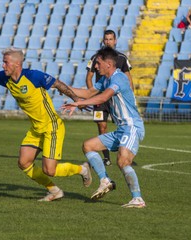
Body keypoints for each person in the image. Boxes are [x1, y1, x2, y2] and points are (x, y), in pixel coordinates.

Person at [0, 47, 92, 202]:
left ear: (16, 64)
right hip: (36, 128)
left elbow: (58, 84)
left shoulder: (33, 76)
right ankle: (54, 191)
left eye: (6, 62)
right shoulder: (6, 78)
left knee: (49, 170)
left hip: (51, 127)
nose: (3, 66)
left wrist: (76, 99)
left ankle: (82, 169)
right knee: (24, 163)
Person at [62, 47, 145, 208]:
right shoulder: (105, 80)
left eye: (98, 63)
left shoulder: (119, 78)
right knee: (88, 146)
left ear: (108, 63)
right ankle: (105, 180)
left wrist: (78, 103)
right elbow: (89, 92)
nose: (95, 66)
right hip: (121, 128)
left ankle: (138, 199)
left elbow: (104, 96)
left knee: (123, 161)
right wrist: (59, 85)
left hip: (132, 126)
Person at [86, 29, 133, 166]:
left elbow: (129, 79)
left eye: (110, 39)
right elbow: (89, 77)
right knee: (102, 126)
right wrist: (92, 93)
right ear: (103, 41)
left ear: (115, 40)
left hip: (117, 98)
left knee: (124, 126)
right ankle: (106, 158)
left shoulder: (122, 58)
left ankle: (126, 155)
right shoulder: (96, 58)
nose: (108, 42)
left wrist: (130, 97)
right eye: (106, 39)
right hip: (101, 98)